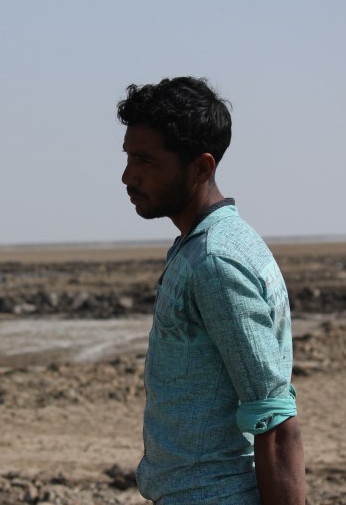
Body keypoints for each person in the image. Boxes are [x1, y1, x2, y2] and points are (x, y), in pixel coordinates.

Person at [117, 77, 306, 504]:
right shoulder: (200, 245)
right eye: (128, 156)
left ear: (201, 167)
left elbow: (274, 420)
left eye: (146, 160)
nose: (128, 175)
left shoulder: (216, 262)